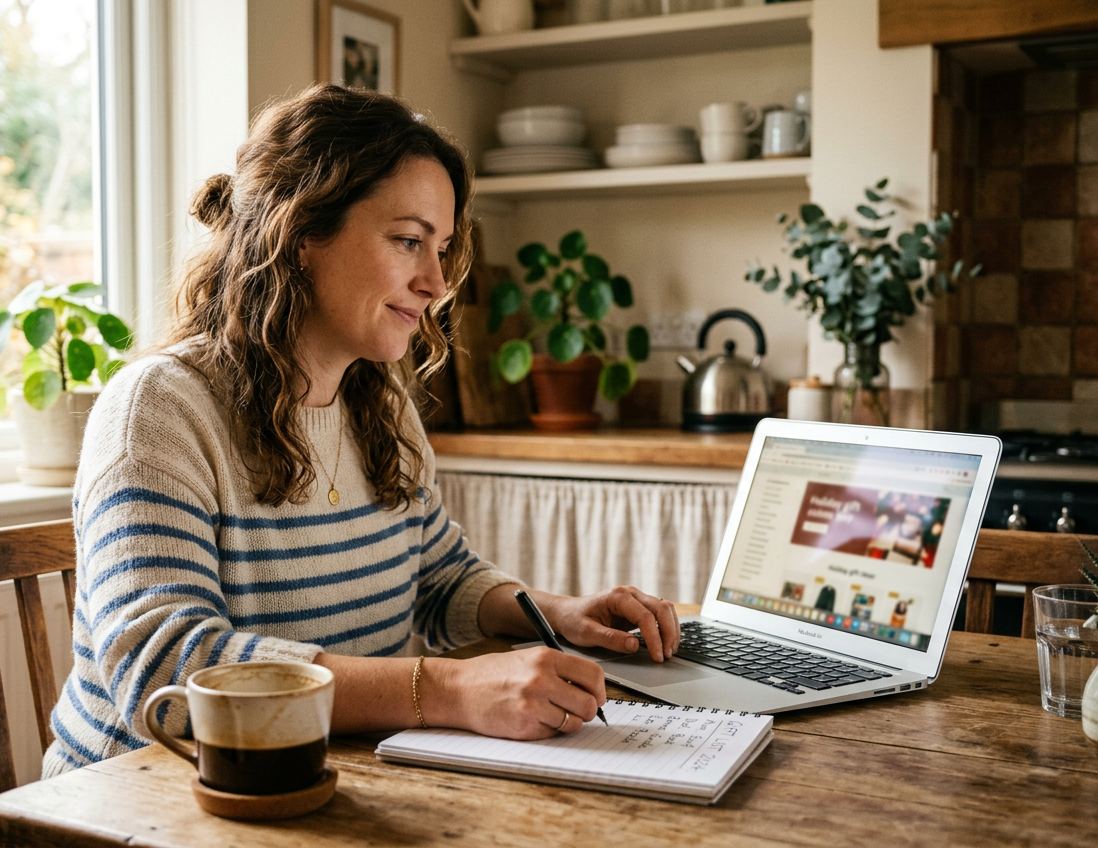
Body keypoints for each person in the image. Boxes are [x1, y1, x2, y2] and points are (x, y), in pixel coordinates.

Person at [42, 84, 680, 778]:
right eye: (408, 241)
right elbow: (165, 670)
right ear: (302, 234)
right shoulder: (159, 409)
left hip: (322, 779)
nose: (435, 280)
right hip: (143, 800)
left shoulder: (378, 403)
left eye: (440, 248)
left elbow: (438, 577)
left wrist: (559, 615)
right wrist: (442, 690)